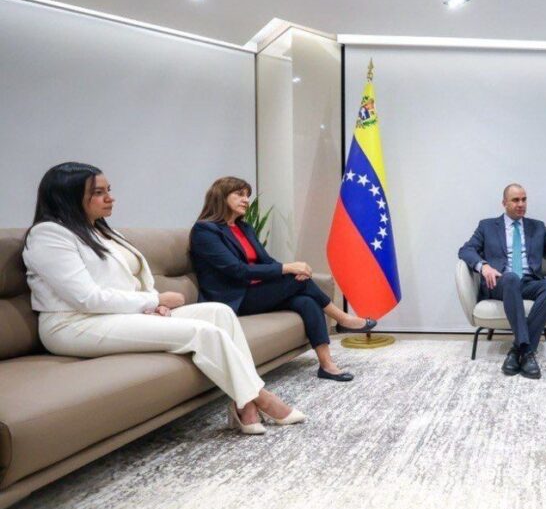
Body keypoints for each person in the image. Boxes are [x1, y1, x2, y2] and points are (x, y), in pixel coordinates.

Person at [22, 162, 304, 436]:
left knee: (220, 312)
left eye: (109, 190)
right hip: (75, 324)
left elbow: (130, 281)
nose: (110, 197)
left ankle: (243, 403)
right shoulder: (49, 235)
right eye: (98, 192)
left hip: (120, 314)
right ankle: (259, 398)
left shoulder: (102, 231)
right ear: (68, 196)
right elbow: (86, 298)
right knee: (203, 332)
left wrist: (151, 305)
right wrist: (153, 300)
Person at [189, 176, 375, 383]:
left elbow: (267, 261)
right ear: (221, 196)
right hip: (234, 298)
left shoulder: (244, 228)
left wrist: (290, 271)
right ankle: (342, 319)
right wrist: (289, 268)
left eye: (248, 195)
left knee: (306, 301)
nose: (246, 200)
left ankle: (327, 365)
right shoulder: (205, 230)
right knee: (299, 281)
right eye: (240, 194)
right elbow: (236, 270)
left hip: (257, 292)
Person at [458, 183, 546, 379]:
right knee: (511, 278)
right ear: (504, 203)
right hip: (500, 283)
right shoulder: (487, 226)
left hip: (529, 282)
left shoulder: (537, 227)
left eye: (524, 199)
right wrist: (483, 266)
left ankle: (518, 350)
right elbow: (466, 250)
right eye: (515, 200)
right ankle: (527, 353)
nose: (521, 204)